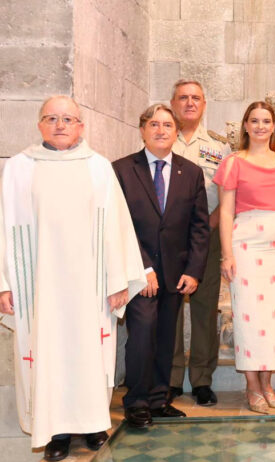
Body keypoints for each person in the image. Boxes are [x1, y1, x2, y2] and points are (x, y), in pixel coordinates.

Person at [0, 96, 146, 461]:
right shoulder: (19, 168)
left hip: (90, 285)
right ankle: (57, 434)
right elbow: (4, 226)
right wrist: (4, 283)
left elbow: (116, 227)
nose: (60, 125)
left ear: (81, 126)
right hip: (41, 287)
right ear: (39, 124)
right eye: (52, 118)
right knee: (49, 354)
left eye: (68, 119)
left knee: (89, 353)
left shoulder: (98, 167)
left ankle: (94, 424)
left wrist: (118, 279)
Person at [113, 104, 210, 427]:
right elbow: (119, 225)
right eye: (153, 124)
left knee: (167, 338)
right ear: (142, 130)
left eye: (167, 125)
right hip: (137, 272)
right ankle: (137, 401)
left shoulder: (191, 172)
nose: (160, 130)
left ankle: (158, 400)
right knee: (141, 335)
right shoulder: (122, 170)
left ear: (176, 132)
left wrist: (193, 270)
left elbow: (199, 227)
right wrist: (142, 268)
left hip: (175, 273)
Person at [214, 101, 275, 414]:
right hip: (247, 246)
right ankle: (252, 386)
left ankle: (268, 385)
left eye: (266, 121)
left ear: (273, 126)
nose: (260, 126)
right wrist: (227, 254)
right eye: (254, 121)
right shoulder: (233, 162)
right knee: (250, 317)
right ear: (245, 126)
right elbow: (226, 212)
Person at [169, 79, 231, 407]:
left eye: (196, 98)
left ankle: (202, 379)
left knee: (205, 309)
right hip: (168, 239)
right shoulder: (162, 138)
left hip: (206, 234)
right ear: (173, 103)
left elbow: (228, 196)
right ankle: (171, 378)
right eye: (183, 98)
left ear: (204, 105)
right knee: (170, 308)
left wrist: (207, 227)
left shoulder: (219, 147)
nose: (190, 103)